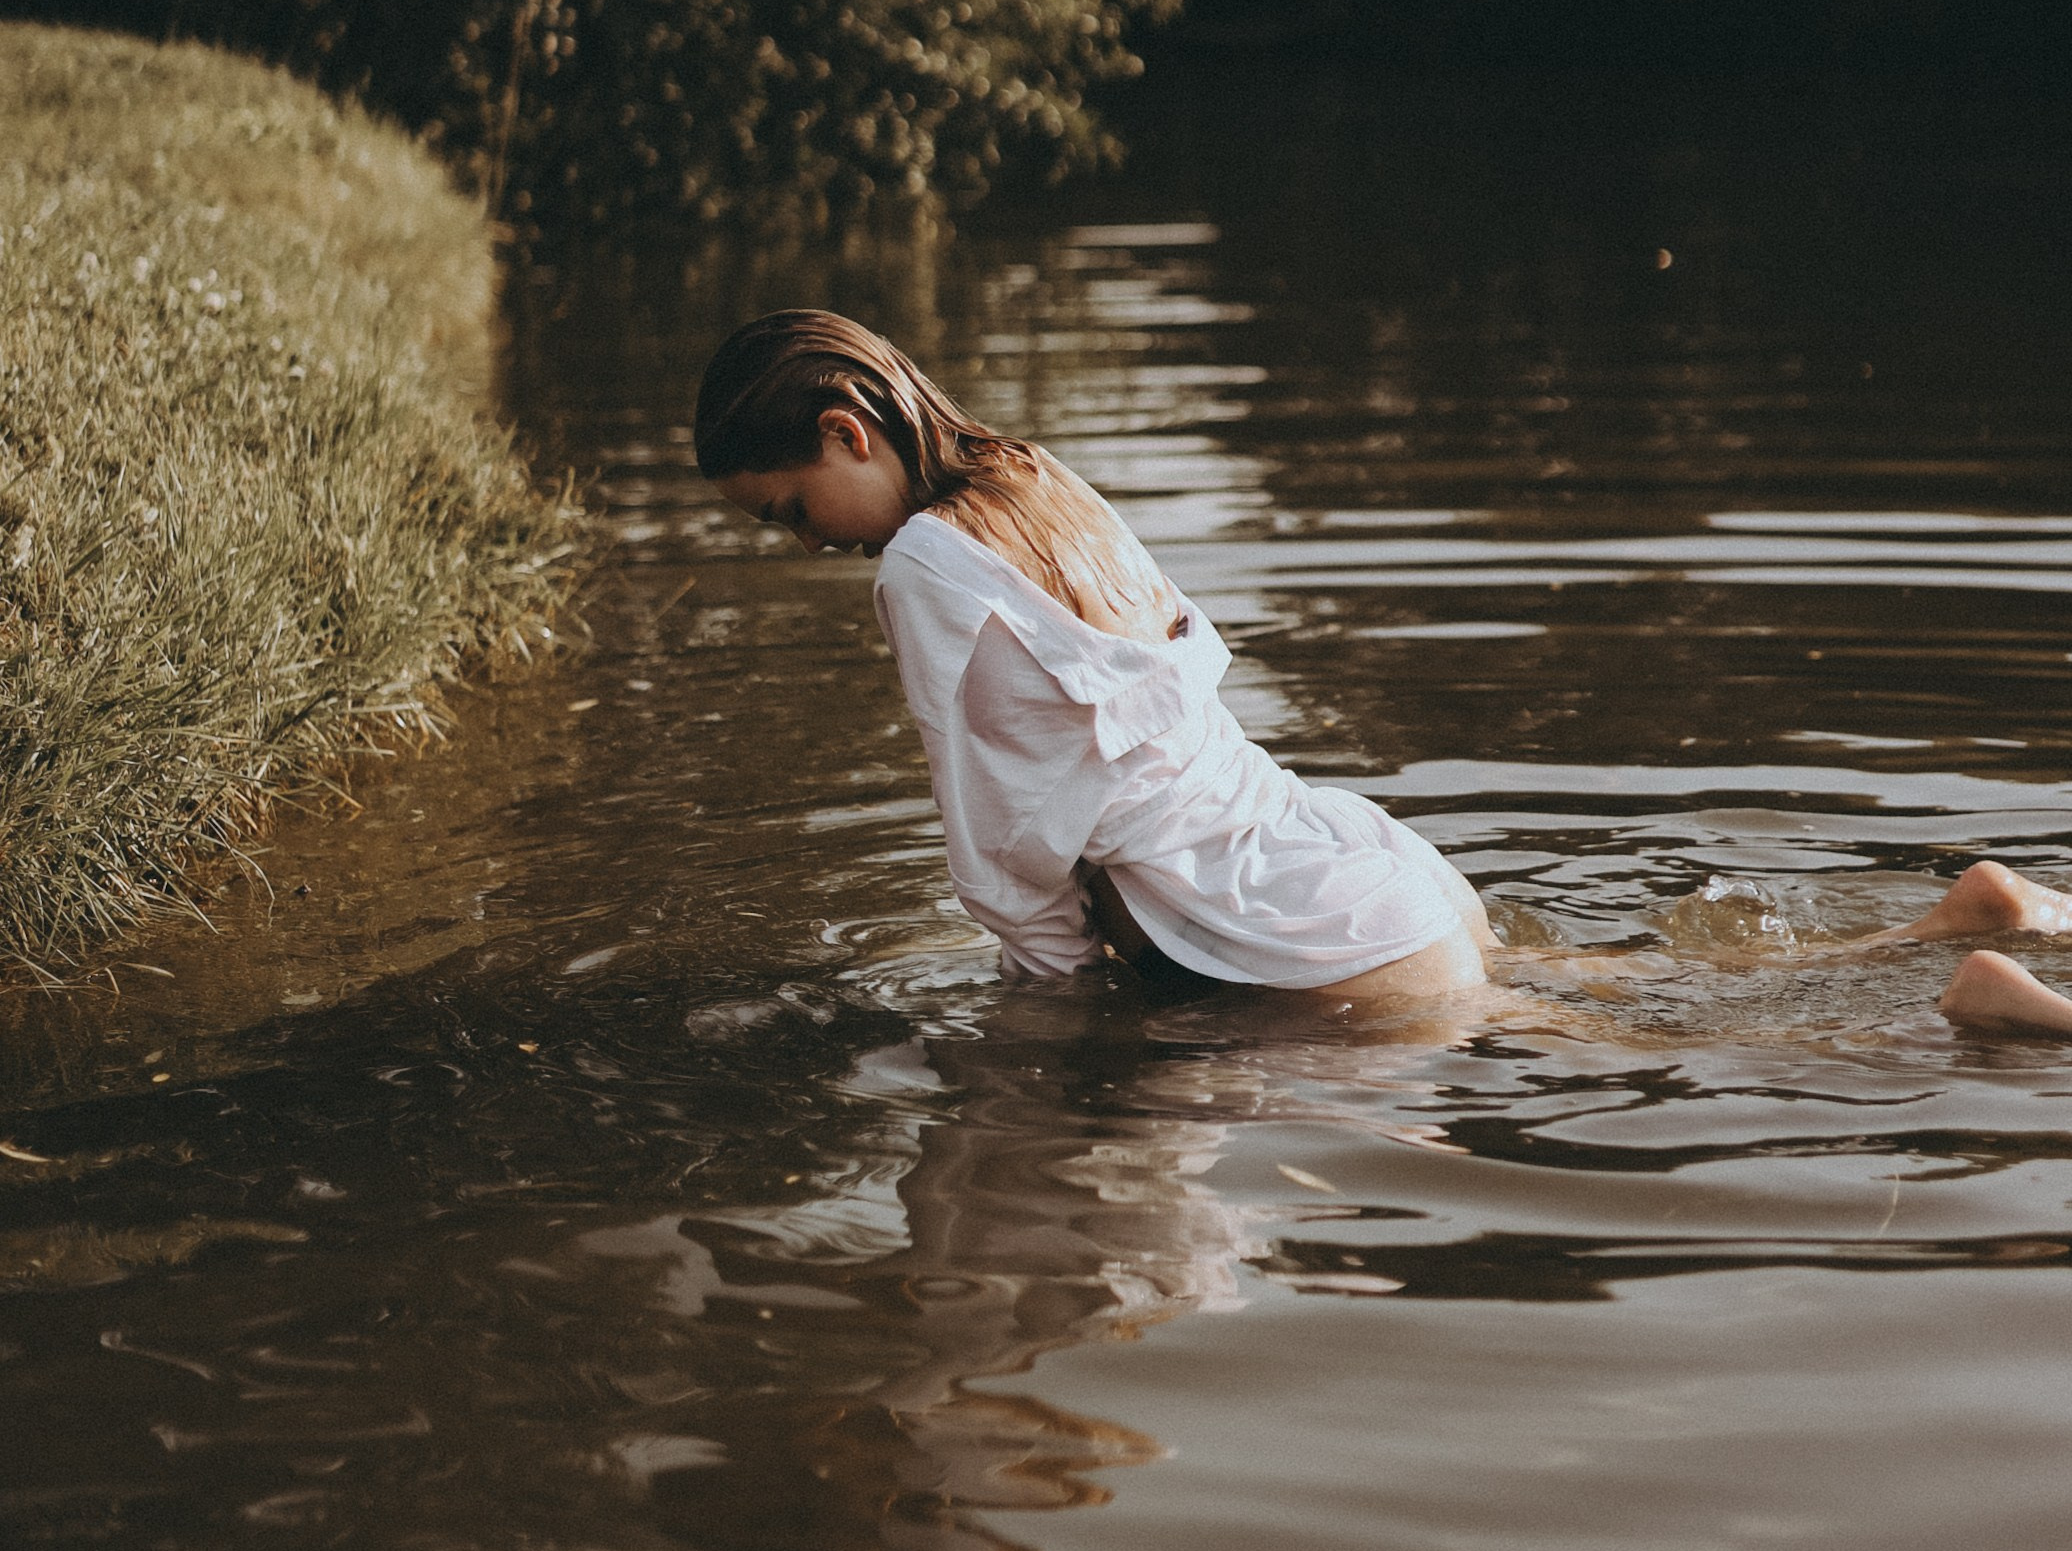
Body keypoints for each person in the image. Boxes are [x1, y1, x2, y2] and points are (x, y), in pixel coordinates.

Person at [694, 310, 2072, 1039]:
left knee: (1658, 1039)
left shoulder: (924, 567)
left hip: (1292, 926)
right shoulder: (1025, 482)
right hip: (1337, 858)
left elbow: (993, 834)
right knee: (1613, 985)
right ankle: (1959, 922)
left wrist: (1050, 1013)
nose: (797, 542)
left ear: (845, 430)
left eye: (787, 509)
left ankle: (1974, 1007)